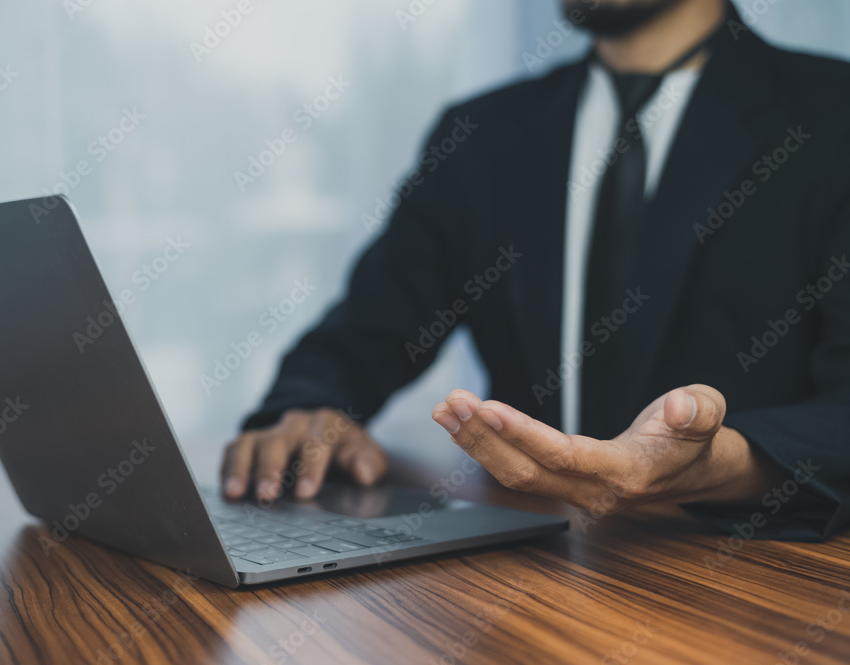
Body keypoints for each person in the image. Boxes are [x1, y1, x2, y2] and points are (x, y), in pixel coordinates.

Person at [220, 0, 850, 541]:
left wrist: (717, 465)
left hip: (743, 575)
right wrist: (311, 408)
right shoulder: (481, 135)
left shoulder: (833, 116)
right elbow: (364, 333)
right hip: (527, 562)